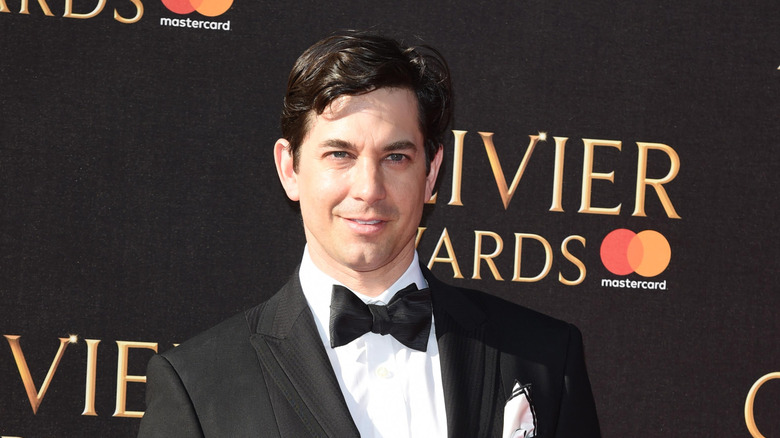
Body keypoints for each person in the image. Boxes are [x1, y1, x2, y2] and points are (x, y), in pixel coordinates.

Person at [138, 31, 600, 438]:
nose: (369, 189)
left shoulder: (543, 357)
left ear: (432, 171)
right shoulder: (199, 387)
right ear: (289, 168)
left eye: (395, 157)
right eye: (339, 154)